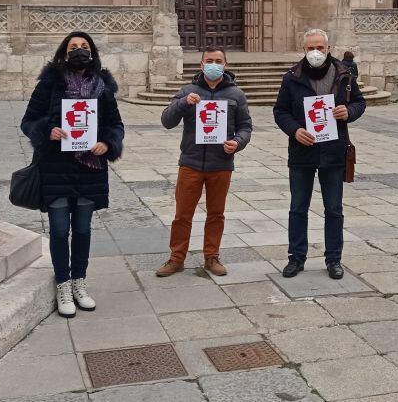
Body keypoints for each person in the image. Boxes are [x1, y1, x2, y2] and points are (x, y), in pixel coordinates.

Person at [20, 31, 125, 318]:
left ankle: (79, 281)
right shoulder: (50, 84)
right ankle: (62, 283)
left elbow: (116, 125)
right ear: (64, 53)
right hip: (55, 167)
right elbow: (28, 121)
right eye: (73, 46)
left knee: (81, 230)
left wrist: (108, 142)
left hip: (89, 168)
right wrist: (46, 131)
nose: (79, 50)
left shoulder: (102, 87)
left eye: (84, 46)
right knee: (58, 229)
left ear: (92, 52)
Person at [273, 29, 366, 279]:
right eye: (311, 47)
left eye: (320, 47)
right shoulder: (292, 77)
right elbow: (280, 111)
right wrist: (295, 130)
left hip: (334, 152)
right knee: (298, 208)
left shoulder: (344, 75)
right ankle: (296, 257)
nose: (316, 52)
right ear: (304, 50)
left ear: (329, 48)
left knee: (334, 209)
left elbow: (359, 102)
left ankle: (334, 259)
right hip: (302, 152)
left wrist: (349, 112)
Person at [157, 47, 252, 277]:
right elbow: (167, 120)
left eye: (218, 61)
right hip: (191, 163)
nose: (213, 64)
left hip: (221, 164)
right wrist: (183, 103)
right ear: (201, 65)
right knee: (182, 215)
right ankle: (176, 258)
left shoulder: (236, 95)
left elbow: (246, 127)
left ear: (225, 64)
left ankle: (212, 257)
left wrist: (238, 142)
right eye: (209, 60)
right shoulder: (188, 90)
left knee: (216, 214)